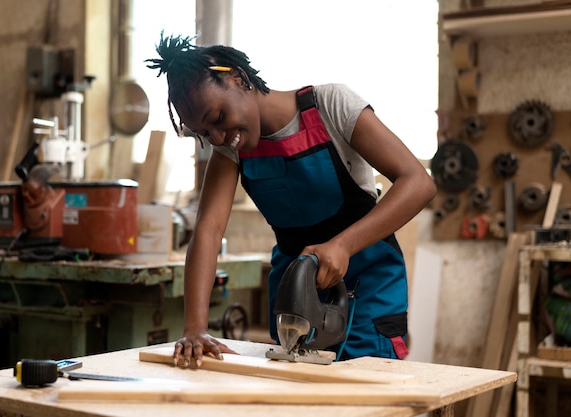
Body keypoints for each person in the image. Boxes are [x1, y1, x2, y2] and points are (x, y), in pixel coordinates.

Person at [146, 33, 436, 366]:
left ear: (238, 79)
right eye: (203, 134)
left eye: (217, 119)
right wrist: (194, 328)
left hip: (366, 291)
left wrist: (342, 246)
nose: (218, 138)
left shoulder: (331, 106)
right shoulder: (230, 150)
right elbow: (208, 230)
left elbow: (418, 182)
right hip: (296, 298)